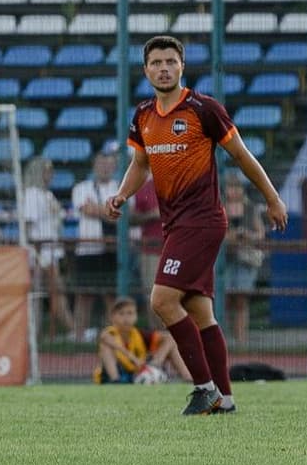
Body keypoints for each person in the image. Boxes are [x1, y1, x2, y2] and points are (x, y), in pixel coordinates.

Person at [107, 35, 289, 418]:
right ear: (146, 71)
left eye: (170, 61)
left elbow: (241, 155)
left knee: (161, 300)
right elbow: (140, 165)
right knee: (200, 311)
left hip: (202, 221)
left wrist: (272, 198)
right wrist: (122, 195)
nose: (163, 68)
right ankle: (226, 398)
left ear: (182, 66)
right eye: (156, 63)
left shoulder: (203, 109)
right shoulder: (142, 115)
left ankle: (203, 388)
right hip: (175, 225)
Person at [70, 146, 123, 330]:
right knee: (84, 295)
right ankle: (79, 336)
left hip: (112, 249)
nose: (105, 168)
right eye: (101, 164)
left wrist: (99, 209)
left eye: (109, 164)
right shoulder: (81, 188)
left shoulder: (120, 188)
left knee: (111, 295)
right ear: (94, 165)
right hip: (88, 249)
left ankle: (114, 333)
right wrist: (108, 211)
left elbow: (122, 216)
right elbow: (87, 210)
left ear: (115, 167)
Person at [18, 156, 71, 338]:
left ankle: (37, 332)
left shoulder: (47, 194)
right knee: (48, 291)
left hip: (51, 250)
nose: (51, 174)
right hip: (39, 251)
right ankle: (71, 329)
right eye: (47, 170)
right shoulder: (32, 194)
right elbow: (28, 225)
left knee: (44, 292)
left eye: (51, 170)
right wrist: (30, 252)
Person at [95, 295, 188, 384]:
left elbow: (169, 338)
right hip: (119, 372)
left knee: (170, 340)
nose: (126, 318)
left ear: (136, 316)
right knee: (105, 346)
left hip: (138, 372)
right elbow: (104, 338)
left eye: (130, 313)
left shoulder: (139, 334)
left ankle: (186, 377)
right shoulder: (109, 333)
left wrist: (155, 360)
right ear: (112, 317)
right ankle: (115, 380)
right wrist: (134, 359)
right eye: (121, 313)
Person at [222, 181, 267, 352]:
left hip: (245, 260)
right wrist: (229, 237)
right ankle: (223, 340)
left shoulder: (250, 208)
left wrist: (247, 235)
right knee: (223, 299)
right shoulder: (219, 206)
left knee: (241, 300)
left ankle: (241, 341)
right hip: (224, 260)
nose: (233, 191)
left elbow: (260, 234)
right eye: (230, 186)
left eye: (236, 187)